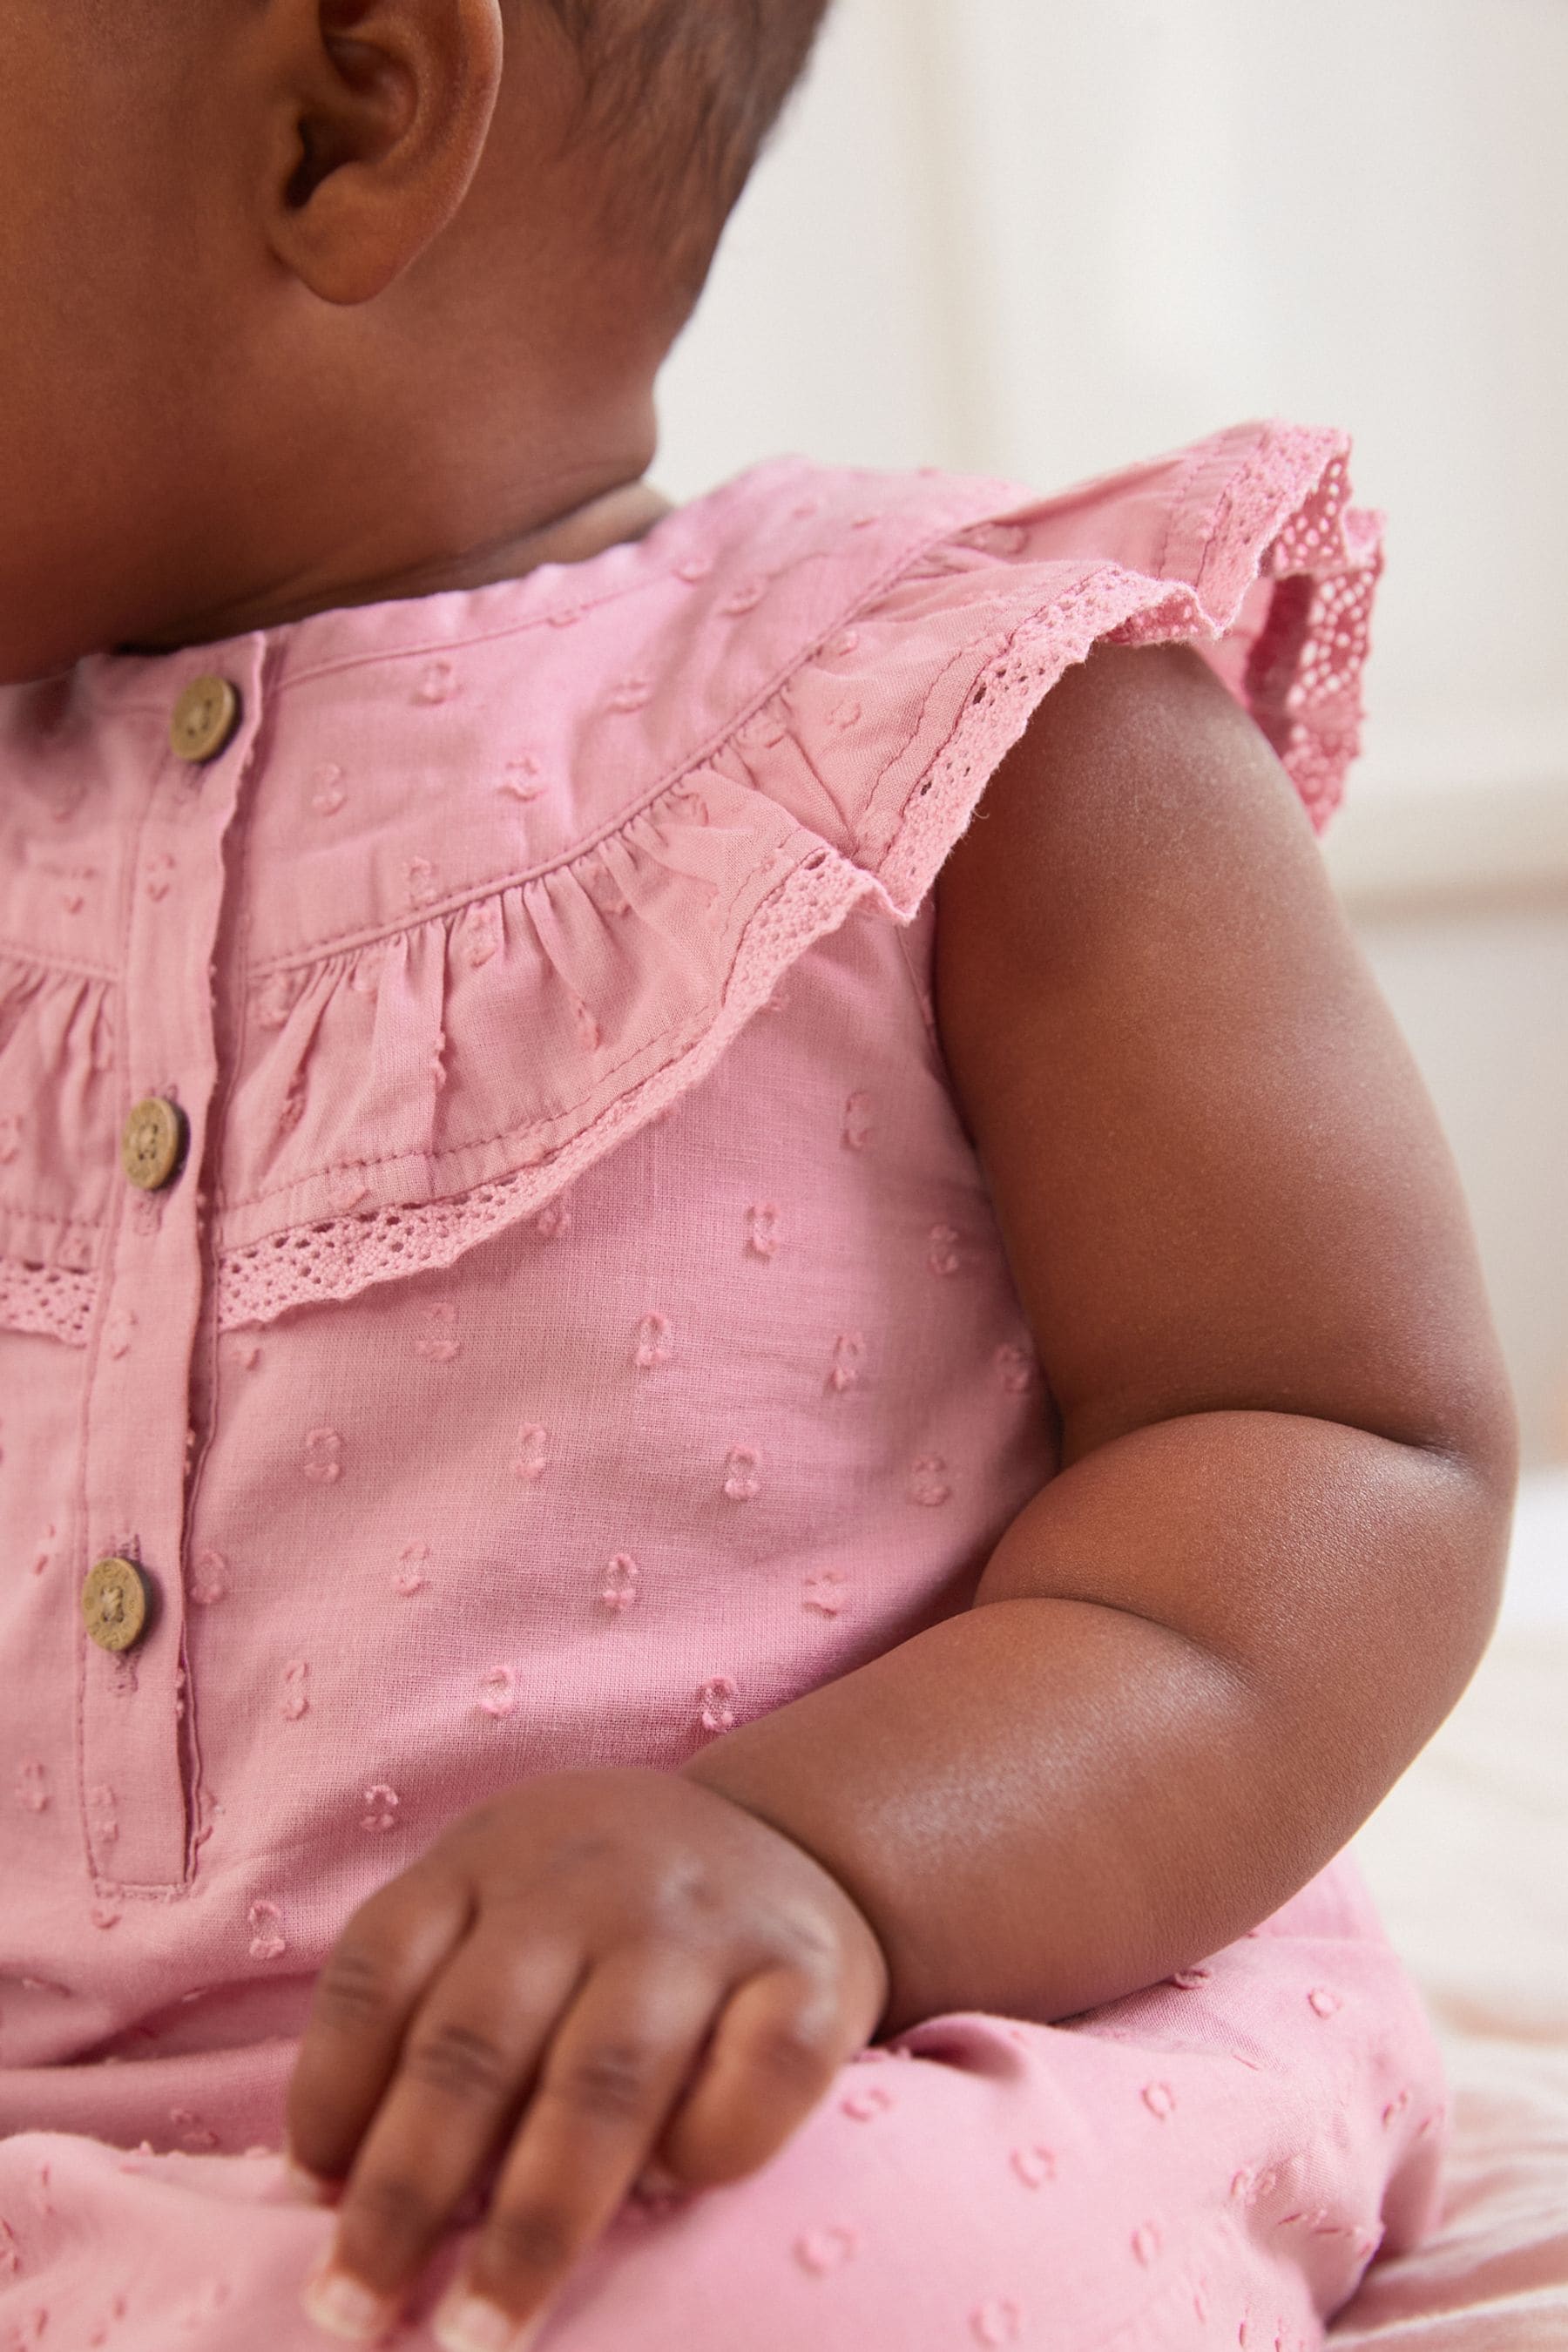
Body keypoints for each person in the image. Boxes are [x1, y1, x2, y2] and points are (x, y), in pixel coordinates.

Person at [0, 3, 1519, 2349]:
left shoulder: (949, 719)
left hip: (802, 2040)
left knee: (813, 2286)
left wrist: (819, 1848)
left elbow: (1347, 1440)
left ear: (345, 120)